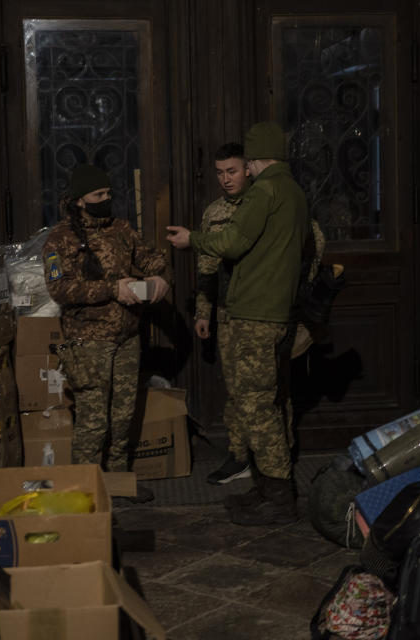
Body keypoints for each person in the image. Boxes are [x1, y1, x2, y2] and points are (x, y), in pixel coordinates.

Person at [167, 121, 309, 525]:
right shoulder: (294, 191)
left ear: (254, 160)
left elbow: (231, 243)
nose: (237, 174)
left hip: (256, 315)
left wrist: (191, 239)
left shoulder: (266, 191)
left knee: (257, 407)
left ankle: (279, 498)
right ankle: (266, 489)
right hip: (274, 310)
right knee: (265, 400)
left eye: (243, 164)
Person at [43, 164, 169, 502]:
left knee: (123, 415)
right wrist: (112, 288)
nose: (106, 199)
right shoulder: (60, 238)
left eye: (108, 193)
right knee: (94, 421)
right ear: (80, 200)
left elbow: (152, 258)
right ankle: (84, 492)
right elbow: (61, 289)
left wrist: (159, 278)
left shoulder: (122, 229)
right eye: (98, 195)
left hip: (127, 337)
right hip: (89, 341)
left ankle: (117, 485)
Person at [193, 143, 256, 486]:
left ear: (248, 168)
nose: (225, 179)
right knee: (235, 389)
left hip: (263, 311)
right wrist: (204, 312)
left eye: (232, 171)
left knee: (266, 389)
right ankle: (240, 455)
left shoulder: (264, 205)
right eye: (220, 173)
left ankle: (272, 456)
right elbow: (206, 268)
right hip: (227, 314)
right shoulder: (214, 212)